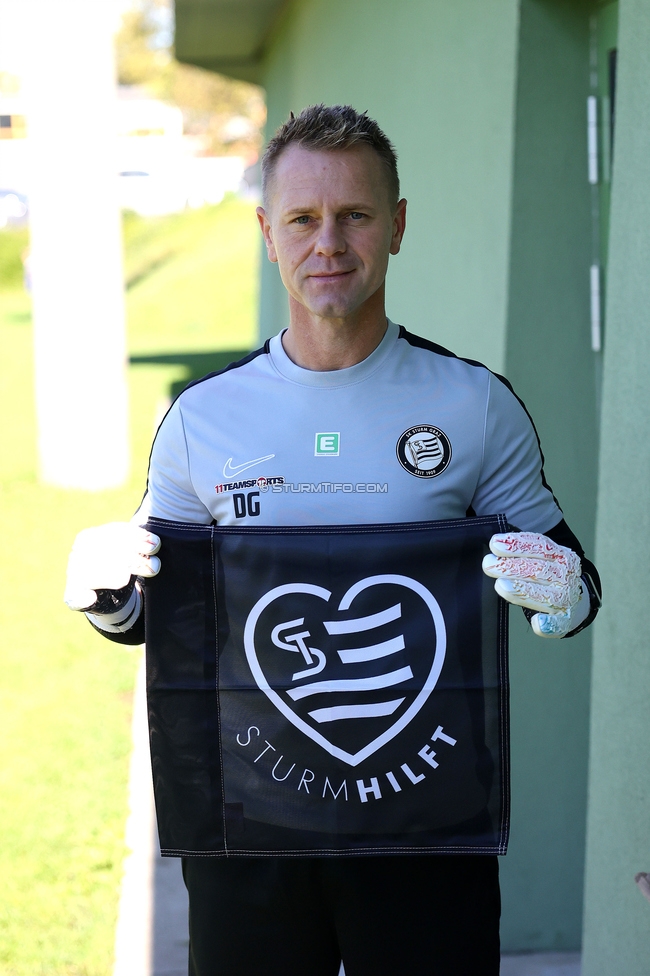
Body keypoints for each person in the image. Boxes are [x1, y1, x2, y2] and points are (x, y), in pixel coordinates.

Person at [65, 104, 601, 976]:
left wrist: (563, 594)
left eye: (355, 215)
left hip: (426, 826)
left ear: (396, 223)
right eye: (304, 219)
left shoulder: (475, 405)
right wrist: (106, 596)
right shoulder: (202, 419)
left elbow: (569, 589)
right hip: (251, 829)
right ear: (267, 233)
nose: (330, 244)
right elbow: (155, 615)